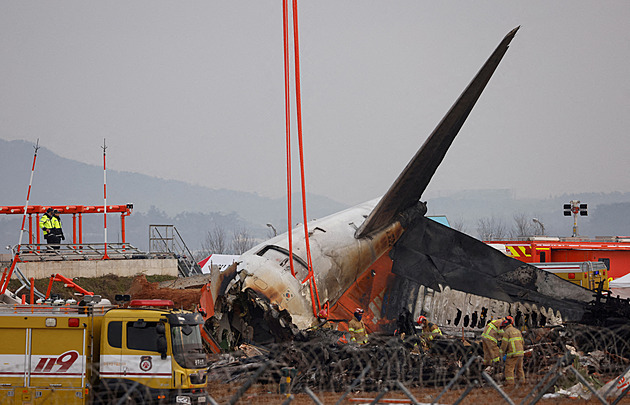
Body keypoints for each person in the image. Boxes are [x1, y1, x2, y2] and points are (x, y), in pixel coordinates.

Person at [500, 316, 525, 386]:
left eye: (502, 328)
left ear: (505, 326)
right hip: (520, 353)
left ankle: (510, 384)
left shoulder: (507, 332)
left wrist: (501, 354)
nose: (502, 329)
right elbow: (522, 342)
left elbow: (504, 345)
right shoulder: (517, 331)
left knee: (509, 369)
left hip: (512, 354)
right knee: (519, 368)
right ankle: (522, 382)